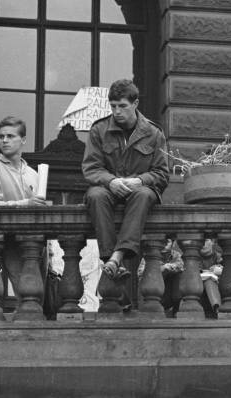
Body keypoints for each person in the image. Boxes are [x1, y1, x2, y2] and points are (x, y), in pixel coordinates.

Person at [82, 79, 169, 281]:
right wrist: (111, 181)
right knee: (95, 195)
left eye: (123, 106)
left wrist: (139, 181)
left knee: (144, 194)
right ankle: (111, 260)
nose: (117, 111)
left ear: (135, 104)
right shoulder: (99, 130)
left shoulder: (153, 133)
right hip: (108, 189)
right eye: (113, 106)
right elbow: (91, 168)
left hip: (139, 191)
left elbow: (162, 174)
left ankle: (116, 257)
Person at [0, 116, 49, 308]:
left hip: (36, 242)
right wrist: (27, 203)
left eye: (10, 136)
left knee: (38, 298)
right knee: (26, 295)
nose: (4, 140)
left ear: (23, 140)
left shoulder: (33, 174)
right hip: (10, 241)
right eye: (1, 136)